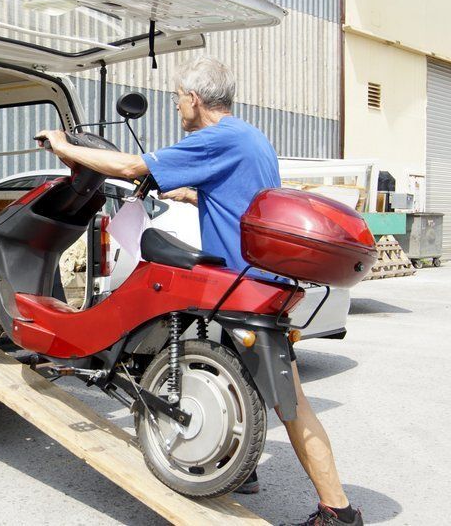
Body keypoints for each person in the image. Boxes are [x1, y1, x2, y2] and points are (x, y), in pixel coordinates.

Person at [36, 56, 362, 526]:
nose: (174, 107)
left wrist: (65, 144)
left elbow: (130, 165)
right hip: (252, 284)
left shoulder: (216, 138)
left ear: (193, 99)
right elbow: (241, 195)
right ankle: (237, 468)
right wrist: (189, 193)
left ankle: (339, 512)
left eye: (176, 98)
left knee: (290, 404)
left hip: (240, 289)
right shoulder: (250, 137)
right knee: (240, 383)